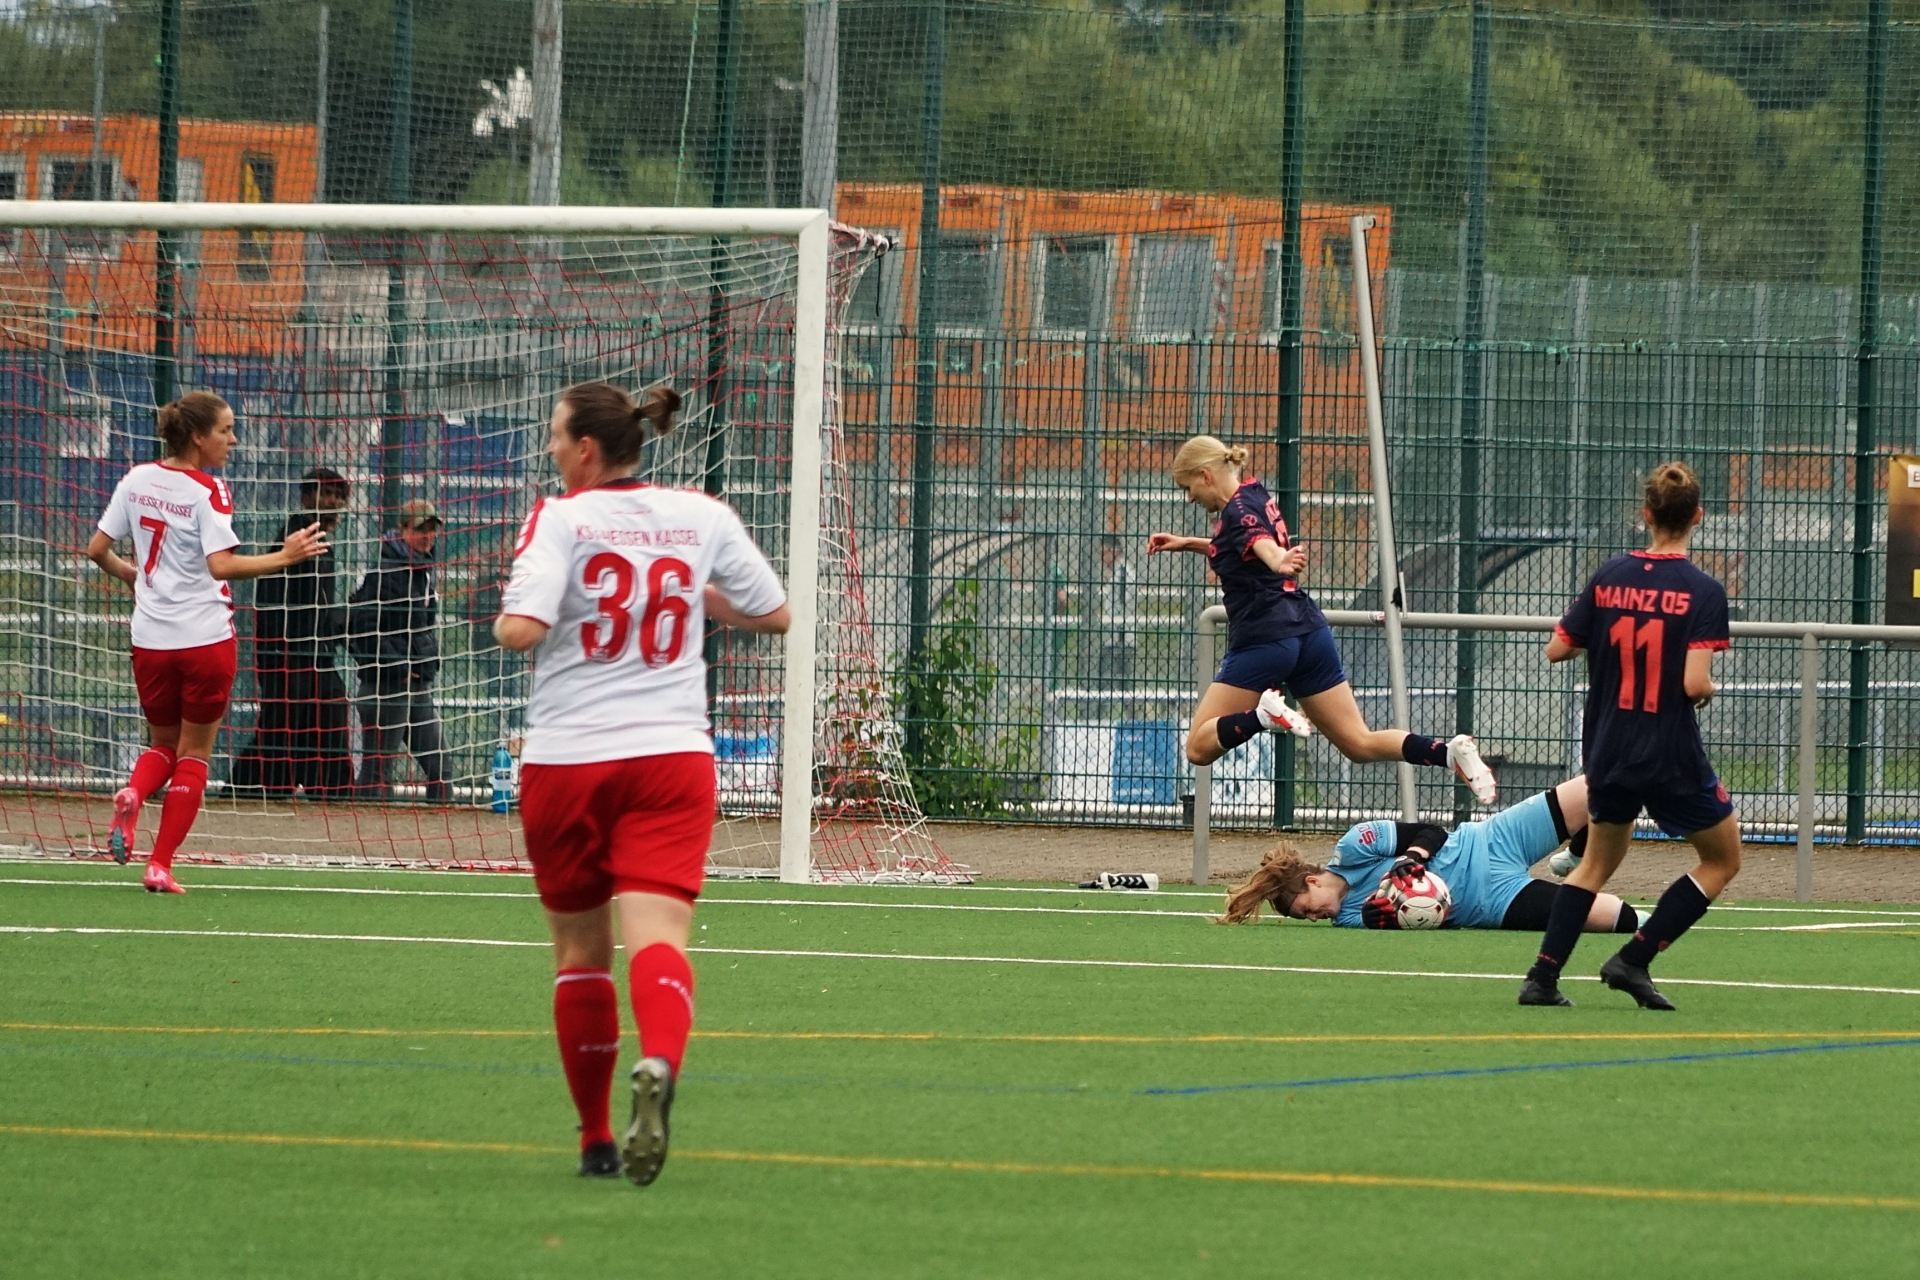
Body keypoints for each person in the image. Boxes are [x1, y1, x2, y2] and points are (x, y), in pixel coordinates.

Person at [494, 381, 788, 1187]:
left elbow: (521, 630)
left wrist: (513, 614)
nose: (551, 448)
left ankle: (595, 1140)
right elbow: (774, 613)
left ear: (586, 449)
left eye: (556, 436)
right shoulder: (701, 514)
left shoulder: (559, 518)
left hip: (569, 760)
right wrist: (687, 592)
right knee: (658, 937)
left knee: (580, 951)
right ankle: (660, 1058)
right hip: (669, 757)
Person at [1145, 435, 1495, 802]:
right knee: (1359, 743)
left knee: (1198, 747)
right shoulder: (1253, 493)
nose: (1189, 497)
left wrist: (1278, 560)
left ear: (1205, 475)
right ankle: (1449, 753)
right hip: (1309, 632)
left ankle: (1263, 716)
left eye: (1188, 487)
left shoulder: (1237, 513)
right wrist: (1189, 543)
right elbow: (1242, 545)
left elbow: (1260, 544)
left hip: (1265, 638)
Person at [86, 392, 327, 892]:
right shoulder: (208, 489)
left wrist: (135, 577)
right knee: (194, 754)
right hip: (204, 640)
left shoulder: (136, 479)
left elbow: (97, 549)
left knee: (162, 744)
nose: (233, 439)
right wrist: (285, 557)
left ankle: (134, 793)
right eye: (225, 430)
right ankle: (159, 864)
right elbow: (221, 566)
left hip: (151, 640)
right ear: (197, 437)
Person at [1519, 462, 1738, 1011]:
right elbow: (1693, 684)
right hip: (1667, 750)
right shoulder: (1703, 590)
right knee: (1721, 860)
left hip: (1609, 745)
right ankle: (1632, 959)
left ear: (1646, 515)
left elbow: (1558, 649)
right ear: (1698, 517)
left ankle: (1542, 978)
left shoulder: (1610, 574)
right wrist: (1708, 688)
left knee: (1595, 863)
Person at [1218, 773, 1640, 935]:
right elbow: (1410, 919)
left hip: (1491, 841)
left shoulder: (1356, 844)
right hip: (1491, 902)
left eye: (1307, 909)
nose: (1315, 917)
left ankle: (1576, 856)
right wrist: (1388, 916)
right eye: (1307, 919)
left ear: (1311, 881)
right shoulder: (1351, 919)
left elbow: (1432, 831)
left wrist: (1413, 858)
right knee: (1623, 919)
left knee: (1610, 783)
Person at [233, 468, 353, 797]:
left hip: (310, 656)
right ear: (306, 497)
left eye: (338, 496)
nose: (333, 502)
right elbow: (281, 603)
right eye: (326, 494)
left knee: (312, 719)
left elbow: (317, 608)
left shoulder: (316, 542)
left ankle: (326, 791)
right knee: (284, 727)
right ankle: (253, 788)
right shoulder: (297, 541)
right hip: (291, 658)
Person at [349, 498, 448, 802]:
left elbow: (422, 628)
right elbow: (362, 626)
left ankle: (441, 824)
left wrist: (427, 663)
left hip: (415, 685)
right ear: (402, 530)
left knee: (440, 766)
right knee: (377, 772)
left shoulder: (423, 571)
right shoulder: (385, 572)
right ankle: (360, 825)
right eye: (420, 529)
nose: (428, 536)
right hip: (387, 686)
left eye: (432, 530)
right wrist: (399, 667)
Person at [1096, 533, 1138, 687]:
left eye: (1104, 552)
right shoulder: (1114, 573)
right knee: (1107, 682)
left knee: (1120, 683)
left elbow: (1122, 602)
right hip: (1112, 637)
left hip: (1120, 638)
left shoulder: (1123, 574)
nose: (1101, 557)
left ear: (1115, 551)